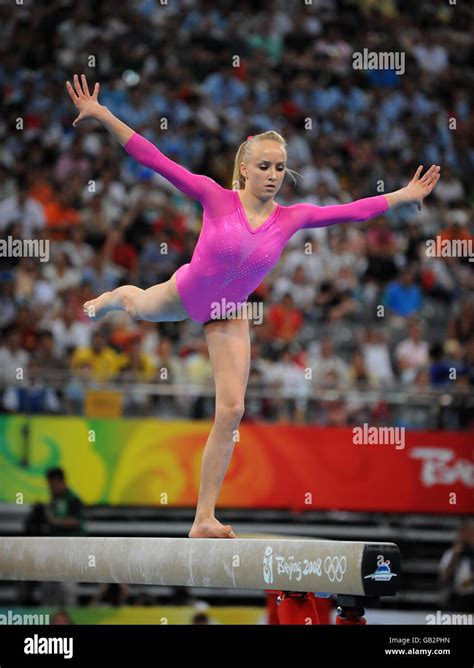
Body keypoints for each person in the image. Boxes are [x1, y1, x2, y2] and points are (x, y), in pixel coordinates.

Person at [66, 73, 440, 539]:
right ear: (244, 168)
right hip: (186, 292)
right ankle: (116, 296)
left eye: (280, 168)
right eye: (264, 166)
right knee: (138, 306)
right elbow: (153, 158)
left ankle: (203, 517)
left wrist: (403, 196)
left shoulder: (292, 218)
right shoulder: (214, 196)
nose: (273, 176)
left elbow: (351, 211)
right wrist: (102, 115)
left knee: (232, 410)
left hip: (229, 312)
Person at [438, 519, 474, 612]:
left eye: (470, 533)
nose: (466, 537)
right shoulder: (450, 554)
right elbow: (443, 578)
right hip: (456, 597)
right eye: (464, 533)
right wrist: (455, 556)